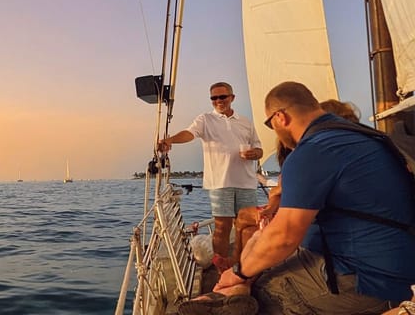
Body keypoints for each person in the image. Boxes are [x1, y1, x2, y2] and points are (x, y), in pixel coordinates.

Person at [188, 81, 415, 314]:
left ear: (280, 117)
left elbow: (284, 236)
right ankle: (233, 291)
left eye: (270, 124)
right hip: (394, 269)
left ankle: (230, 293)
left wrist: (238, 273)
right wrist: (243, 271)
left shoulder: (313, 150)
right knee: (259, 267)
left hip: (366, 282)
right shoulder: (369, 137)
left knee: (264, 291)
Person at [231, 99, 359, 265]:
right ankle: (237, 264)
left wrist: (241, 275)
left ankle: (240, 269)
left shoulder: (313, 156)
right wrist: (272, 206)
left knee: (250, 229)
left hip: (332, 251)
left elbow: (289, 232)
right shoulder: (362, 150)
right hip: (319, 227)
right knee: (248, 225)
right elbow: (281, 191)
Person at [159, 82, 263, 271]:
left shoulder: (246, 122)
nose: (218, 101)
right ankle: (222, 270)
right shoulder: (205, 120)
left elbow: (258, 148)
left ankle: (244, 265)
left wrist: (255, 153)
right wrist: (171, 140)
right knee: (222, 228)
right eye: (213, 98)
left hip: (247, 182)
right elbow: (189, 134)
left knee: (246, 227)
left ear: (232, 98)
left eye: (222, 97)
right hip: (219, 182)